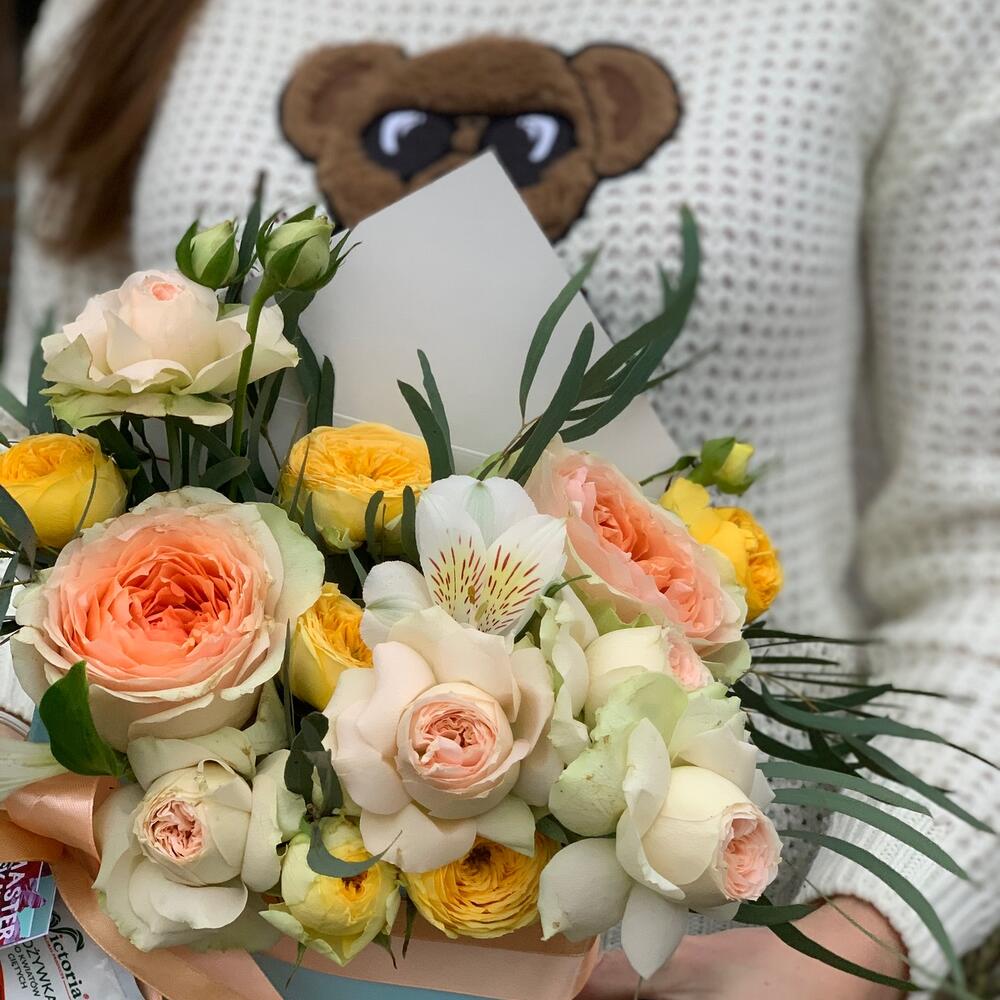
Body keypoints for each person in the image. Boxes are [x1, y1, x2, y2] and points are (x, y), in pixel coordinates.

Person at [3, 1, 998, 997]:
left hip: (719, 940)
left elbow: (978, 543)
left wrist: (863, 934)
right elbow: (37, 475)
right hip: (197, 948)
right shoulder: (109, 16)